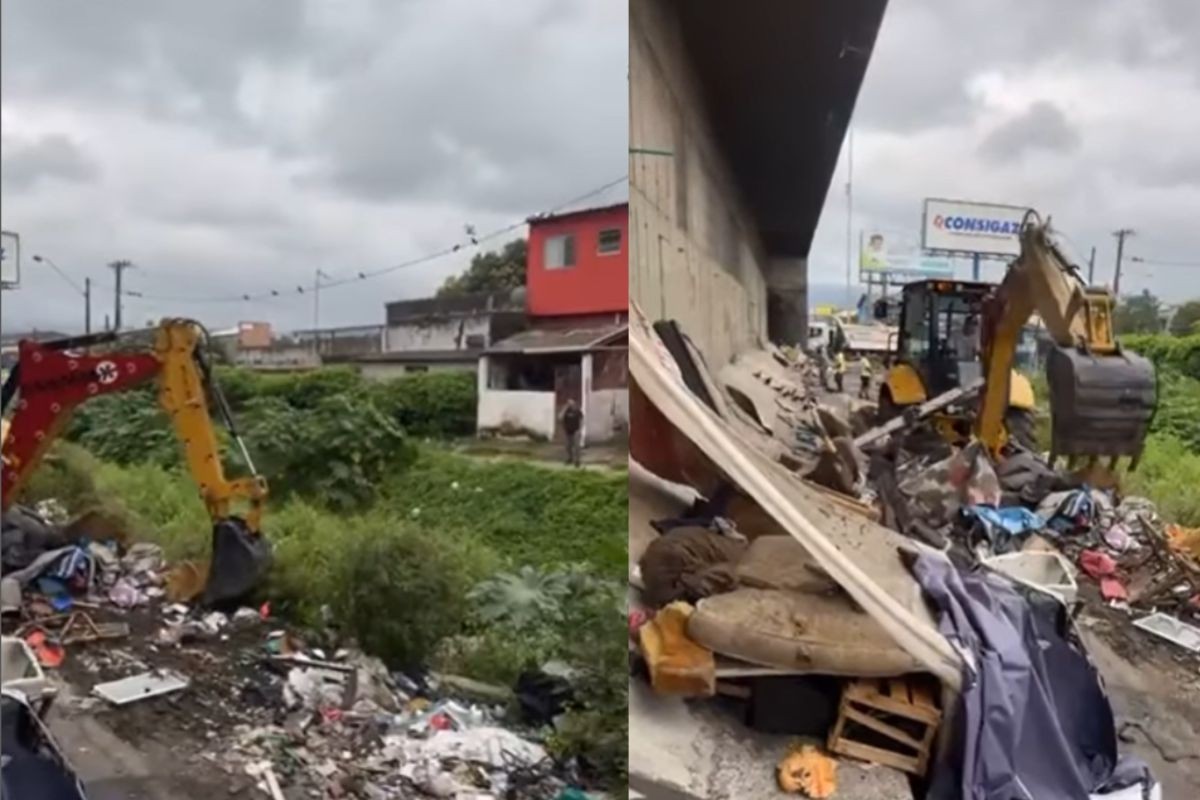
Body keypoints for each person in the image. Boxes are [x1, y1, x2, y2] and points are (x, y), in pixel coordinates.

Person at [560, 399, 583, 467]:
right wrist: (564, 408)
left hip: (576, 430)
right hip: (568, 431)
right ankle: (569, 459)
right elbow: (560, 418)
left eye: (572, 403)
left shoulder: (577, 411)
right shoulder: (566, 411)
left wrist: (580, 430)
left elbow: (581, 420)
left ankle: (577, 461)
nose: (571, 405)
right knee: (568, 446)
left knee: (576, 446)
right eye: (569, 404)